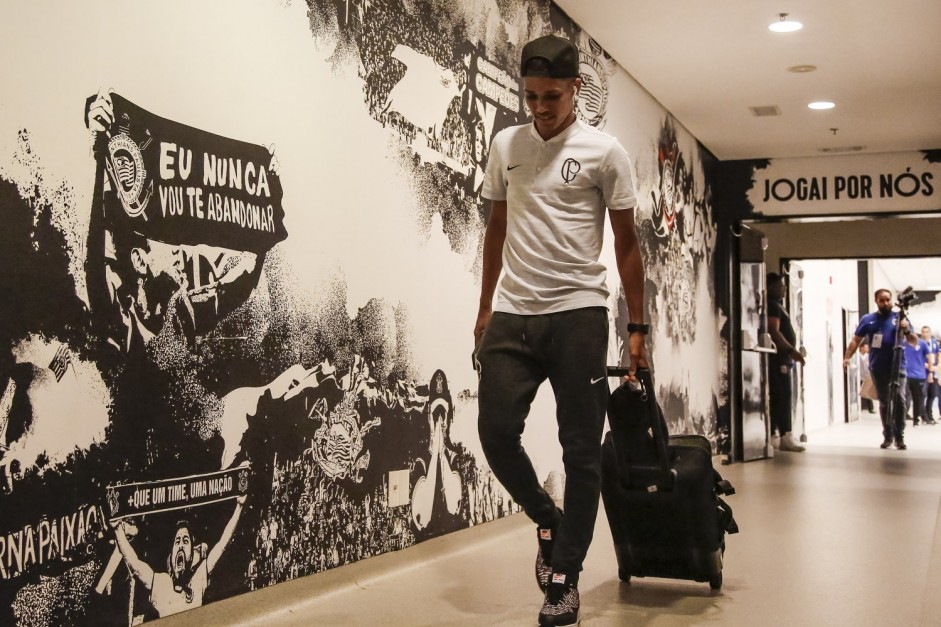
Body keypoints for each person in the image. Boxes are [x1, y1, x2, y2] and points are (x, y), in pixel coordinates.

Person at [473, 34, 648, 627]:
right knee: (495, 433)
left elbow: (626, 247)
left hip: (578, 315)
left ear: (576, 89)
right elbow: (496, 228)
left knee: (582, 453)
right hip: (514, 314)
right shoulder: (506, 145)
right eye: (531, 95)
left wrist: (637, 329)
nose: (540, 107)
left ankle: (565, 580)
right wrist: (483, 307)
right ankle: (546, 517)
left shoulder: (605, 152)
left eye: (551, 95)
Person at [111, 494, 245, 618]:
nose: (181, 545)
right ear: (172, 553)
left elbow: (221, 545)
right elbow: (134, 564)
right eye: (177, 541)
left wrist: (239, 507)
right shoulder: (161, 583)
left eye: (185, 541)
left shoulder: (198, 580)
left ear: (192, 555)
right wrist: (117, 528)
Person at [843, 289, 914, 450]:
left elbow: (913, 341)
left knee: (900, 400)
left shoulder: (900, 318)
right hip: (878, 367)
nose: (885, 303)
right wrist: (847, 357)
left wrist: (907, 329)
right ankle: (888, 435)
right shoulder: (868, 320)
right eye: (882, 300)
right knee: (884, 401)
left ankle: (899, 436)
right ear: (876, 301)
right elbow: (856, 340)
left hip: (899, 365)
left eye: (888, 300)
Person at [765, 273, 806, 452]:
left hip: (782, 359)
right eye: (781, 285)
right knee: (782, 396)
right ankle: (786, 435)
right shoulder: (773, 306)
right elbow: (774, 331)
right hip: (779, 359)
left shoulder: (778, 306)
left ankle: (777, 434)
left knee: (780, 396)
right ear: (772, 287)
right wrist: (791, 350)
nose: (784, 288)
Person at [903, 324, 932, 425]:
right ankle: (902, 418)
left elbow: (929, 356)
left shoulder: (922, 344)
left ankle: (916, 419)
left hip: (918, 375)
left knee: (918, 398)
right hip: (905, 374)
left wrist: (930, 371)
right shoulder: (903, 343)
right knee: (904, 397)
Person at [921, 326, 939, 423]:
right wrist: (927, 365)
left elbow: (937, 354)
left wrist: (938, 365)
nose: (925, 334)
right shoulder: (920, 343)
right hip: (923, 371)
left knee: (932, 394)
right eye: (923, 332)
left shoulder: (934, 343)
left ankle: (930, 414)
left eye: (927, 332)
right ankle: (924, 415)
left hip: (933, 370)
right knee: (923, 394)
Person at [858, 341, 876, 413]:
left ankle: (870, 408)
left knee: (868, 392)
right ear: (861, 348)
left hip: (867, 376)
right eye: (866, 347)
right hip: (860, 376)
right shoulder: (858, 356)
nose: (867, 348)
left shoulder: (869, 356)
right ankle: (861, 407)